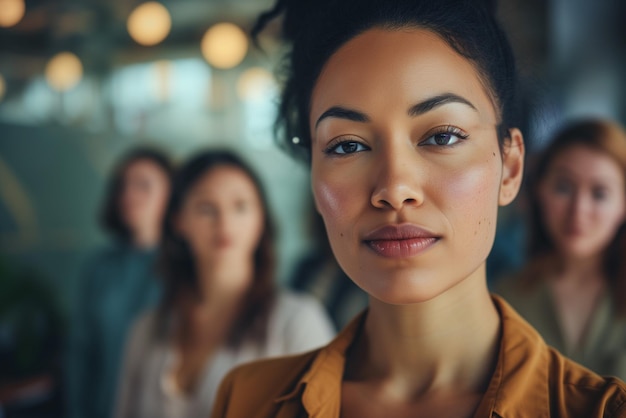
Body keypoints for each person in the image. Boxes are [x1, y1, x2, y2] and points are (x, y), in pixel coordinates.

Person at [211, 1, 626, 417]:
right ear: (316, 185)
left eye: (442, 137)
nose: (395, 189)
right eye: (347, 145)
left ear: (510, 167)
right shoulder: (248, 402)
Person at [113, 150, 335, 418]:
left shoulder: (297, 322)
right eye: (207, 208)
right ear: (178, 221)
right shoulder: (145, 330)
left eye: (240, 206)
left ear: (260, 219)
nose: (224, 222)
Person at [497, 118, 626, 379]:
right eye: (564, 187)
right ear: (539, 192)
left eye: (599, 193)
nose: (578, 210)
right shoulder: (505, 300)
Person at [66, 147, 173, 418]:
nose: (130, 195)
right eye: (123, 185)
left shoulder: (187, 269)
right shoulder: (99, 267)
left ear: (171, 194)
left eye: (143, 185)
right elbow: (80, 353)